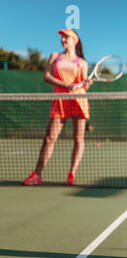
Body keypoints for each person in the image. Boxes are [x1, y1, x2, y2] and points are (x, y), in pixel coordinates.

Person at [22, 29, 93, 186]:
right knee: (49, 138)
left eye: (66, 37)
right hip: (59, 101)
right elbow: (47, 77)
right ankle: (37, 174)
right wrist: (66, 85)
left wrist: (86, 83)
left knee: (78, 139)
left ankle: (72, 174)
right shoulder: (55, 56)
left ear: (74, 40)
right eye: (62, 37)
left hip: (78, 101)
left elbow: (82, 86)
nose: (62, 40)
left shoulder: (82, 63)